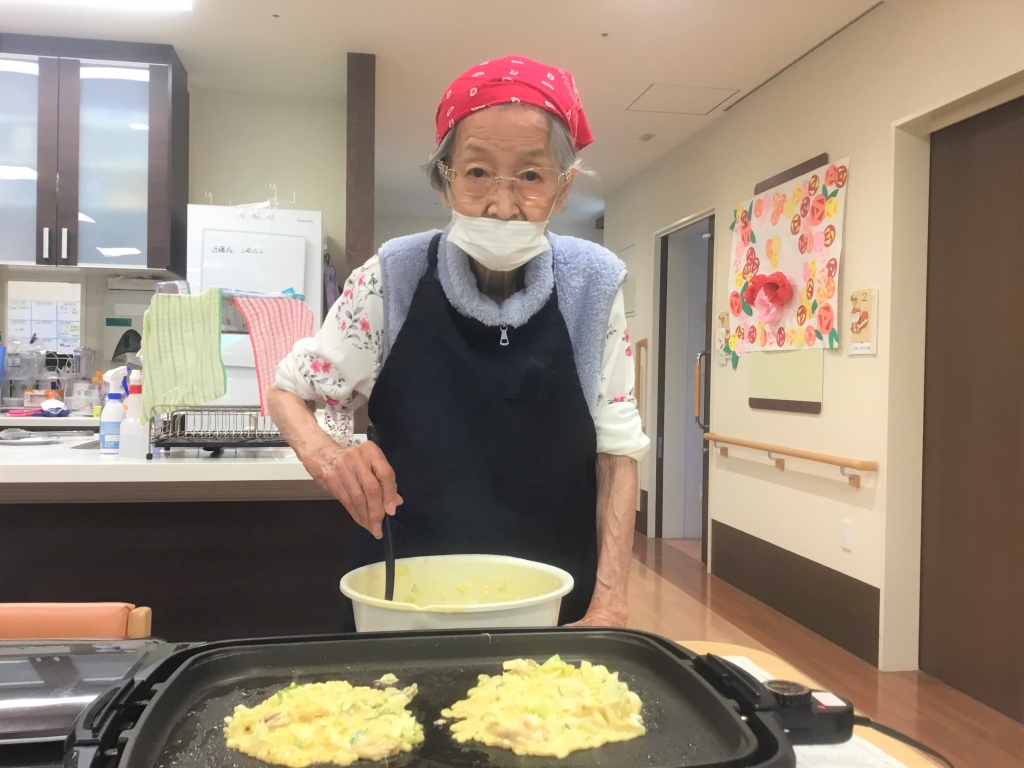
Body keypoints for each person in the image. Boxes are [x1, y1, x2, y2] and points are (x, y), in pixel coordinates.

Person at [271, 55, 649, 629]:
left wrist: (611, 603)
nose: (502, 203)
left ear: (562, 187)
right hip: (404, 591)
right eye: (476, 173)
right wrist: (326, 455)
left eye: (530, 175)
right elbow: (287, 392)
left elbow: (617, 451)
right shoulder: (392, 276)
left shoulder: (593, 285)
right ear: (444, 181)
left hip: (553, 595)